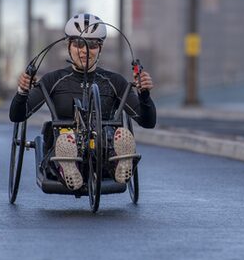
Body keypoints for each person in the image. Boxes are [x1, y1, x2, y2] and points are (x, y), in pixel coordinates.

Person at [9, 13, 156, 191]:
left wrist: (144, 94)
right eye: (79, 43)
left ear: (100, 48)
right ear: (69, 46)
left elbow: (148, 122)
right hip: (62, 151)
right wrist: (22, 92)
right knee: (66, 142)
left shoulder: (115, 82)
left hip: (103, 152)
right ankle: (69, 168)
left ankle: (119, 164)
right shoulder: (52, 80)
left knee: (122, 135)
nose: (85, 50)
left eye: (92, 44)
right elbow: (17, 116)